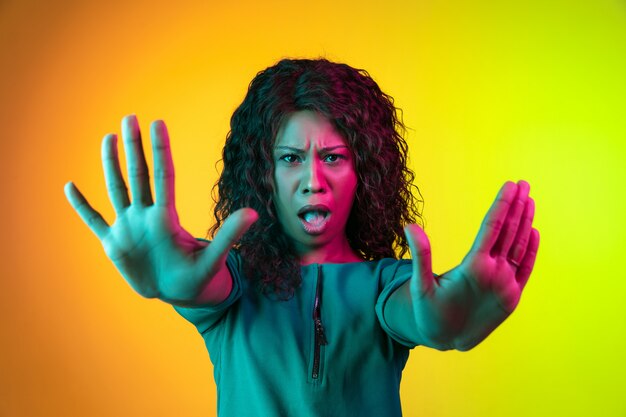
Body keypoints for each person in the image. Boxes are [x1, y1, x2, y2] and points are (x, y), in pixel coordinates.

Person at [64, 58, 539, 417]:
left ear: (365, 173)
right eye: (291, 158)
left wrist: (441, 319)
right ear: (263, 174)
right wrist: (174, 286)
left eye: (333, 157)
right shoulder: (231, 279)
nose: (313, 179)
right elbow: (204, 289)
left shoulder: (388, 283)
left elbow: (412, 311)